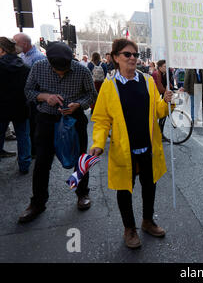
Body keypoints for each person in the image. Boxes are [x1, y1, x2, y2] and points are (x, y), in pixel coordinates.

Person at [89, 39, 173, 249]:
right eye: (127, 54)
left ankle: (147, 221)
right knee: (124, 190)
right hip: (123, 150)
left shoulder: (147, 81)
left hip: (148, 147)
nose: (133, 58)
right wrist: (98, 143)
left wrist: (166, 101)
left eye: (135, 54)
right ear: (116, 58)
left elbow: (159, 111)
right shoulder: (109, 87)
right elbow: (101, 120)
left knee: (149, 185)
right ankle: (129, 228)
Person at [19, 42, 97, 223]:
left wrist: (78, 104)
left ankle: (82, 193)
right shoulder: (38, 67)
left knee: (80, 159)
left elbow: (91, 95)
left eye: (65, 69)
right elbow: (28, 91)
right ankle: (37, 202)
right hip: (46, 120)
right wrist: (46, 97)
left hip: (74, 120)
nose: (61, 73)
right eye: (57, 70)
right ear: (49, 62)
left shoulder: (81, 71)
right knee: (42, 162)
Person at [0, 37, 32, 173]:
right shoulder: (24, 67)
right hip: (21, 107)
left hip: (1, 108)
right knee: (23, 136)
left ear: (2, 50)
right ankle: (24, 164)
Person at [14, 33, 46, 158]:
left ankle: (36, 151)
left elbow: (41, 81)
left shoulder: (38, 57)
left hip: (35, 99)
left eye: (15, 43)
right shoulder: (22, 55)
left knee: (35, 126)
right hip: (26, 98)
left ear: (24, 44)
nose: (14, 45)